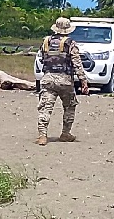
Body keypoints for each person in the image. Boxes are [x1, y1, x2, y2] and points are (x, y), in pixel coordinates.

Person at [36, 17, 89, 146]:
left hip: (48, 79)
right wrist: (83, 81)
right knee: (70, 106)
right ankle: (65, 133)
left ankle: (42, 135)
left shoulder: (46, 41)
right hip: (65, 80)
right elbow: (77, 63)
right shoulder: (70, 43)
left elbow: (42, 58)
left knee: (45, 108)